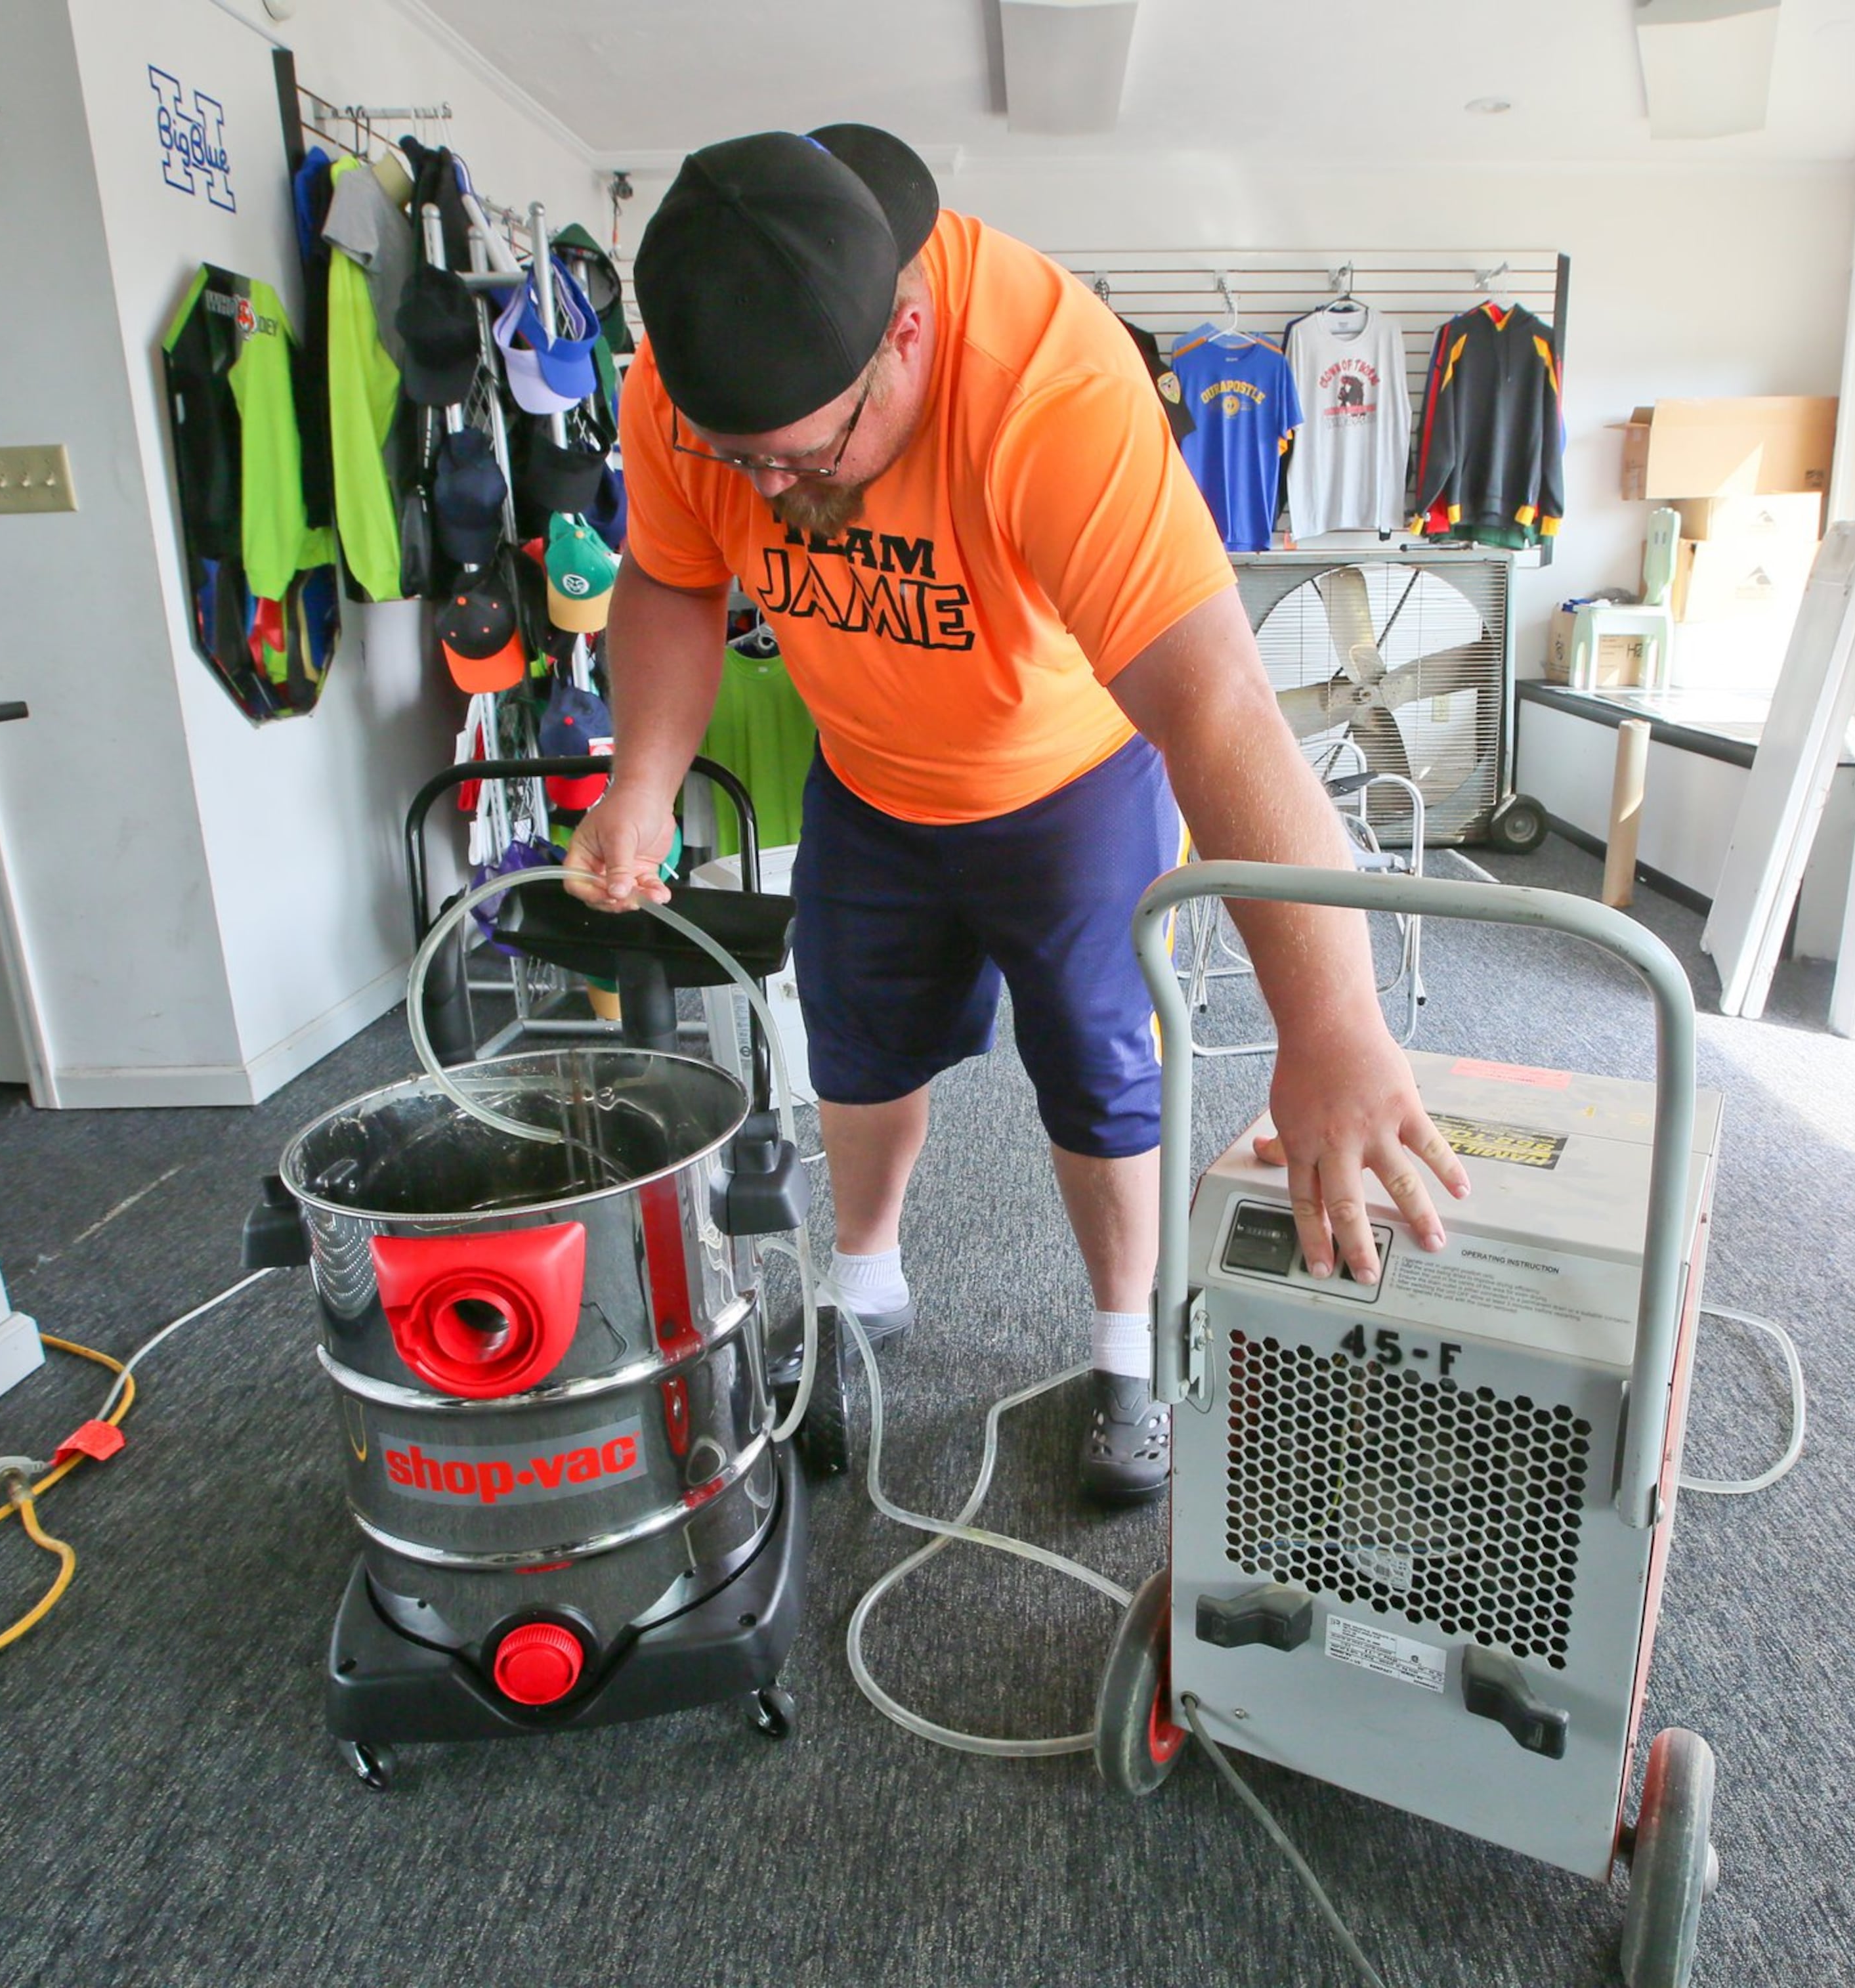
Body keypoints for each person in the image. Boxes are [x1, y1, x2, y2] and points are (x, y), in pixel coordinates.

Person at [563, 125, 1469, 1502]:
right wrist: (642, 777)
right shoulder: (691, 388)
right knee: (856, 1053)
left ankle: (1123, 1350)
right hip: (869, 771)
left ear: (909, 333)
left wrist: (1331, 1023)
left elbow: (1218, 702)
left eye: (804, 458)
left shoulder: (1051, 385)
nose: (773, 496)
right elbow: (674, 578)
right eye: (739, 463)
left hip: (1073, 780)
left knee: (1102, 1078)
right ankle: (860, 1294)